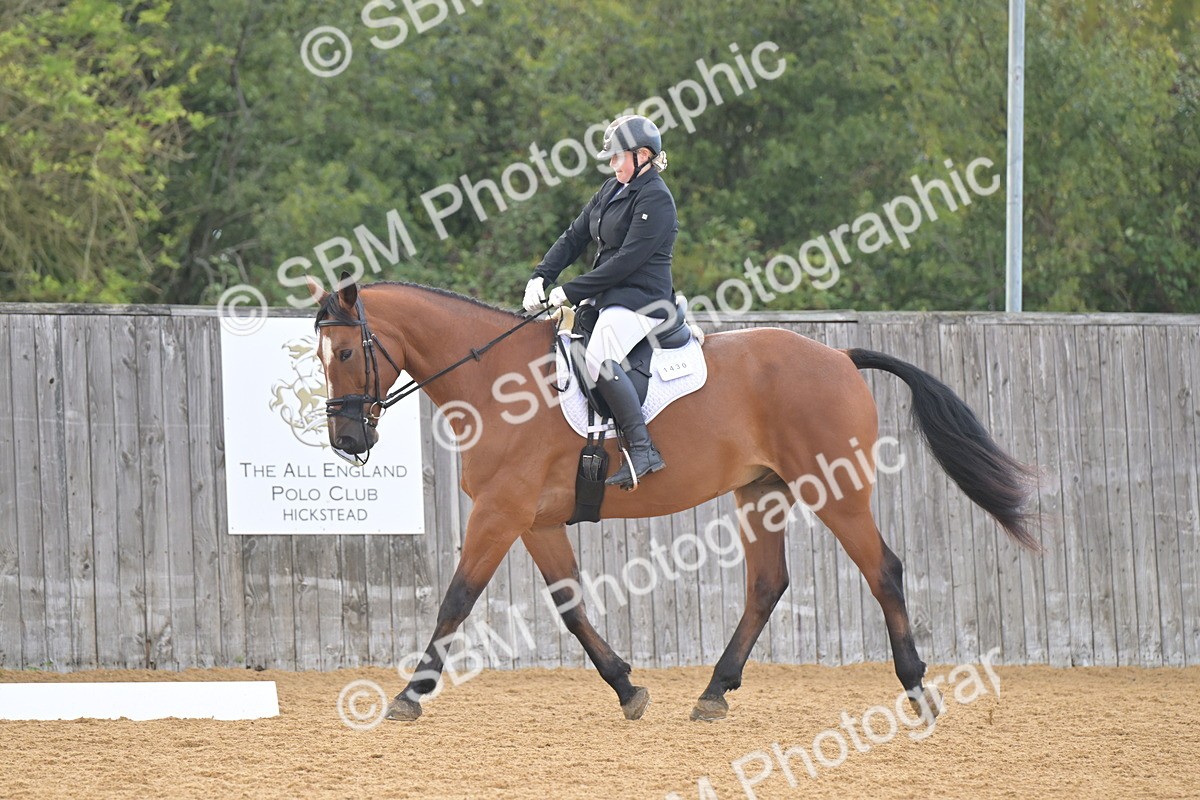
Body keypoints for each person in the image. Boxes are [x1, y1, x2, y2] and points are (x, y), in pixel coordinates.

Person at [523, 114, 677, 489]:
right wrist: (541, 276)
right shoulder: (611, 190)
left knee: (598, 358)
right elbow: (574, 237)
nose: (612, 165)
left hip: (642, 300)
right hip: (606, 299)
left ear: (642, 155)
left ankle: (642, 449)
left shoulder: (656, 198)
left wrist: (571, 291)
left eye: (617, 158)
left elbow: (627, 261)